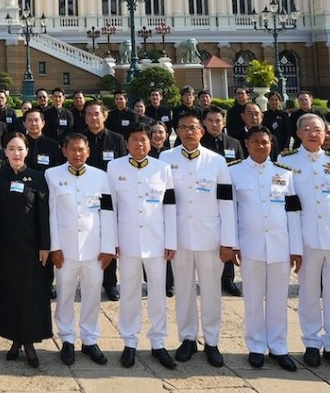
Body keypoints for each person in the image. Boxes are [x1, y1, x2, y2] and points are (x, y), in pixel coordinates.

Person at [285, 114, 330, 371]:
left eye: (318, 129)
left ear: (326, 134)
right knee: (308, 293)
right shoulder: (286, 161)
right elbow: (289, 209)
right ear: (298, 133)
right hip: (306, 239)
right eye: (307, 129)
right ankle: (312, 344)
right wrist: (294, 247)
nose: (313, 134)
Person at [227, 127, 302, 369]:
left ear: (272, 144)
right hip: (250, 245)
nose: (261, 146)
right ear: (246, 144)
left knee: (279, 298)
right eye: (256, 142)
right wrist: (233, 244)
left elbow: (293, 212)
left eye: (266, 142)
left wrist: (296, 247)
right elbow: (231, 212)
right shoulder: (234, 172)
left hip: (280, 246)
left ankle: (279, 347)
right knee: (253, 298)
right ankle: (256, 346)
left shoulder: (284, 173)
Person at [162, 111, 232, 367]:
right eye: (183, 127)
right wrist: (167, 239)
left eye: (193, 127)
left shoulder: (216, 161)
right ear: (177, 131)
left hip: (210, 237)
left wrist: (228, 241)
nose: (189, 132)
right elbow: (165, 202)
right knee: (183, 290)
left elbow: (226, 202)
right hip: (179, 237)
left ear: (202, 131)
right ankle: (187, 338)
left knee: (212, 291)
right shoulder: (166, 159)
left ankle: (212, 341)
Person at [105, 123, 174, 369]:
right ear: (127, 143)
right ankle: (130, 342)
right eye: (134, 139)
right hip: (127, 242)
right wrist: (111, 242)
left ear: (151, 141)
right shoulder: (114, 168)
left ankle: (158, 342)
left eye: (144, 139)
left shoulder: (163, 169)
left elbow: (170, 207)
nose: (139, 144)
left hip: (157, 242)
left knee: (158, 293)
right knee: (129, 293)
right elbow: (109, 207)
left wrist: (171, 241)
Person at [46, 132, 112, 365]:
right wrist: (54, 247)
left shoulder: (100, 177)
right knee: (64, 294)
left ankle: (89, 339)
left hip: (94, 249)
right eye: (72, 149)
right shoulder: (52, 175)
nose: (77, 153)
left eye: (81, 149)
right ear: (64, 151)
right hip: (66, 250)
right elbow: (51, 214)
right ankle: (66, 339)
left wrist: (108, 247)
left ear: (88, 151)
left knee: (92, 294)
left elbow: (107, 213)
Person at [0, 132, 52, 367]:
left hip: (32, 248)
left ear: (27, 151)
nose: (16, 153)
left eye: (20, 148)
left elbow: (43, 214)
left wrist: (45, 245)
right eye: (11, 149)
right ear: (4, 151)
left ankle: (29, 342)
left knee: (30, 295)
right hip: (5, 249)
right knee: (10, 295)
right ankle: (14, 339)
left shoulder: (37, 178)